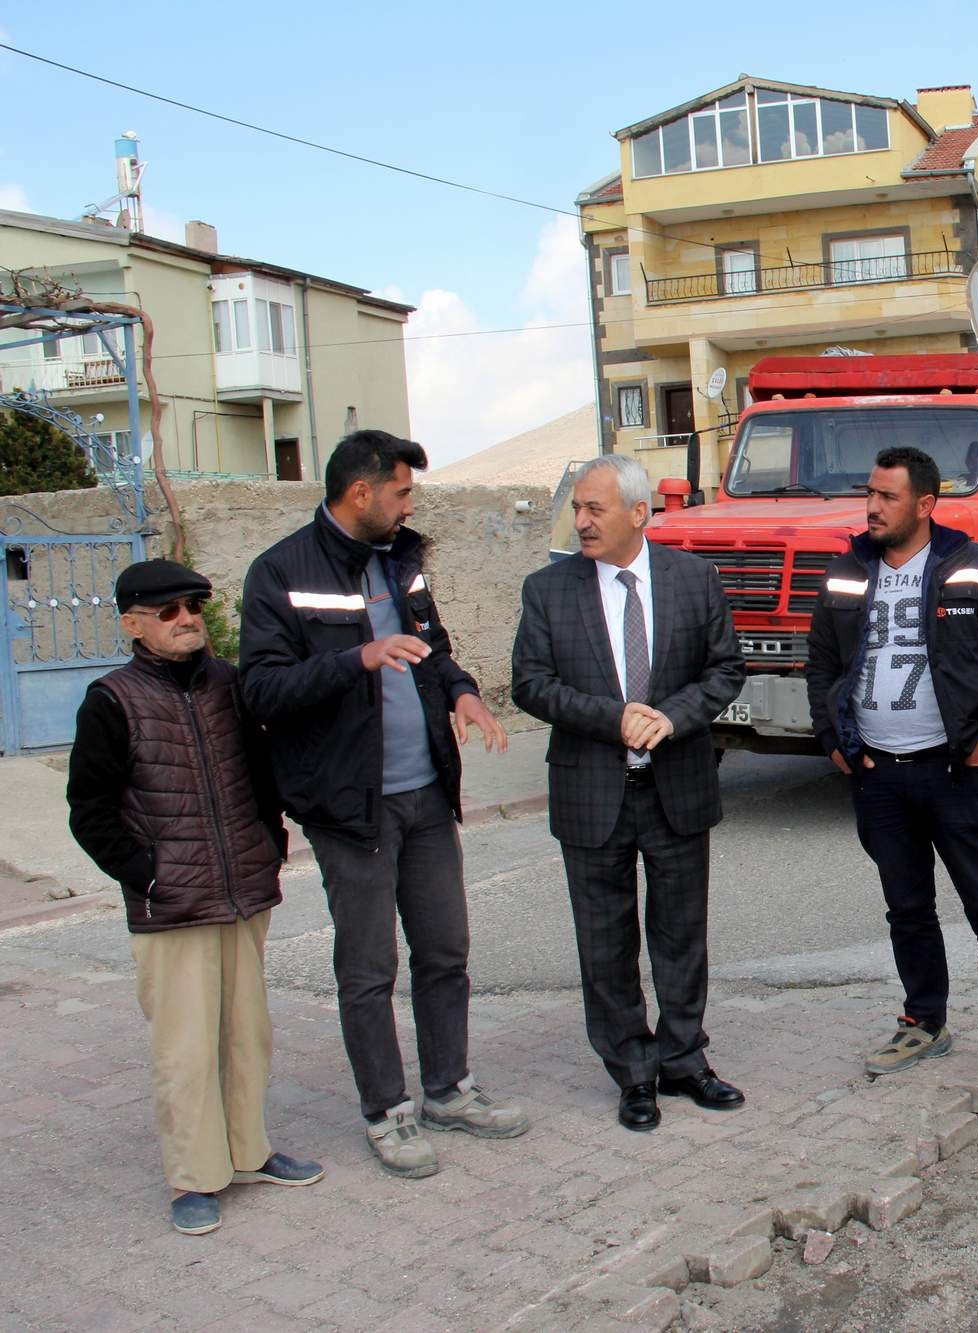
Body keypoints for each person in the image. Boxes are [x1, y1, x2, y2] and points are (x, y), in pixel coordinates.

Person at [239, 429, 524, 1179]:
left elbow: (432, 644)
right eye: (400, 491)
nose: (409, 505)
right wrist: (354, 657)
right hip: (348, 803)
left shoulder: (401, 561)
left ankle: (448, 1089)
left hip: (425, 789)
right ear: (360, 492)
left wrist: (461, 690)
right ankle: (386, 1111)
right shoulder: (279, 572)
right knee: (368, 967)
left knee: (445, 951)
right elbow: (262, 688)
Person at [66, 559, 322, 1236]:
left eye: (193, 607)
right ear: (133, 624)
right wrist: (146, 874)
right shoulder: (110, 700)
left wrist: (267, 845)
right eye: (170, 611)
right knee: (184, 1047)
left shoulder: (230, 684)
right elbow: (87, 810)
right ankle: (194, 1176)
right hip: (172, 903)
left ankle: (249, 1151)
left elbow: (263, 776)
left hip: (243, 889)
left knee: (247, 1034)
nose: (187, 620)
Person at [511, 454, 748, 1130]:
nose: (581, 521)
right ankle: (633, 1071)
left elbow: (725, 668)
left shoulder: (693, 580)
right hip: (592, 790)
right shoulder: (548, 590)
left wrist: (670, 716)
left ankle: (684, 1058)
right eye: (578, 509)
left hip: (675, 782)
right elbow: (530, 682)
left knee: (681, 933)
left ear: (638, 513)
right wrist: (611, 717)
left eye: (595, 509)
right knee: (605, 941)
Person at [806, 446, 978, 1080]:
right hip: (878, 773)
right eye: (870, 493)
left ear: (925, 504)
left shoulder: (973, 567)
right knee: (907, 907)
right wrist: (832, 738)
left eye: (887, 496)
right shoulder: (846, 571)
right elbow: (821, 665)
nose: (872, 507)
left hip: (955, 770)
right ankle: (924, 1020)